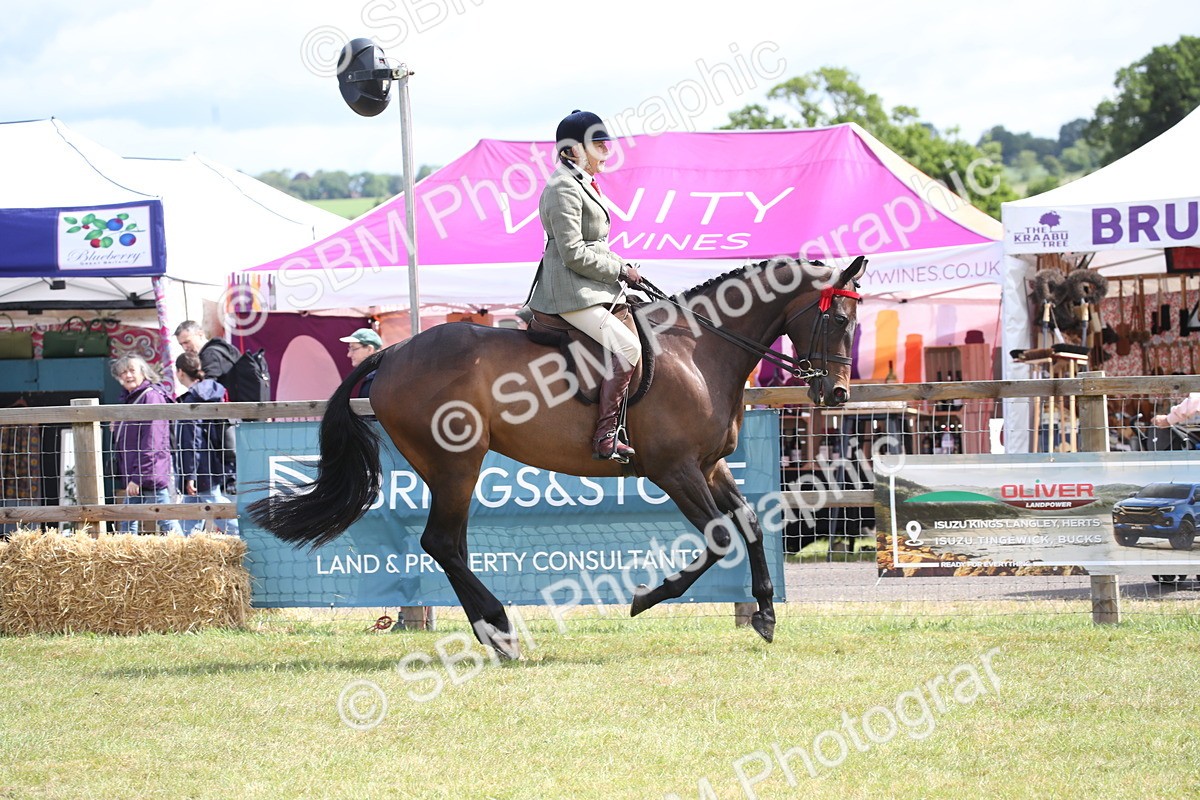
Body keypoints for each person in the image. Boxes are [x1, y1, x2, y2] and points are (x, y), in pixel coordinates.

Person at [529, 109, 643, 463]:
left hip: (592, 287)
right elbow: (574, 253)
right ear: (570, 151)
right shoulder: (562, 186)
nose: (605, 148)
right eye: (596, 142)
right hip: (570, 291)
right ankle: (606, 435)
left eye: (605, 141)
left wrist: (622, 268)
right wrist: (619, 269)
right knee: (627, 349)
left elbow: (595, 244)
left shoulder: (581, 182)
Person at [111, 355, 182, 535]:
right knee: (129, 522)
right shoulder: (130, 399)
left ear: (144, 372)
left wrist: (137, 476)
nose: (127, 375)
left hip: (148, 473)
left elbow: (153, 440)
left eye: (132, 370)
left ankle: (188, 553)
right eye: (123, 372)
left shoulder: (151, 396)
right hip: (138, 473)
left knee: (165, 521)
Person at [174, 352, 239, 535]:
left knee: (214, 505)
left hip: (200, 467)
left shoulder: (191, 400)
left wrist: (190, 474)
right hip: (215, 460)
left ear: (180, 372)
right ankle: (185, 550)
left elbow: (191, 440)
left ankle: (246, 536)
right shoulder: (215, 392)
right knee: (193, 510)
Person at [174, 320, 238, 385]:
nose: (185, 348)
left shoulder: (210, 355)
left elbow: (208, 391)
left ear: (200, 334)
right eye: (181, 344)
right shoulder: (221, 348)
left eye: (187, 342)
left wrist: (187, 382)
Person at [339, 327, 383, 398]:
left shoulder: (382, 377)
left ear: (369, 349)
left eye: (353, 349)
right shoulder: (373, 376)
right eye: (349, 349)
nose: (349, 355)